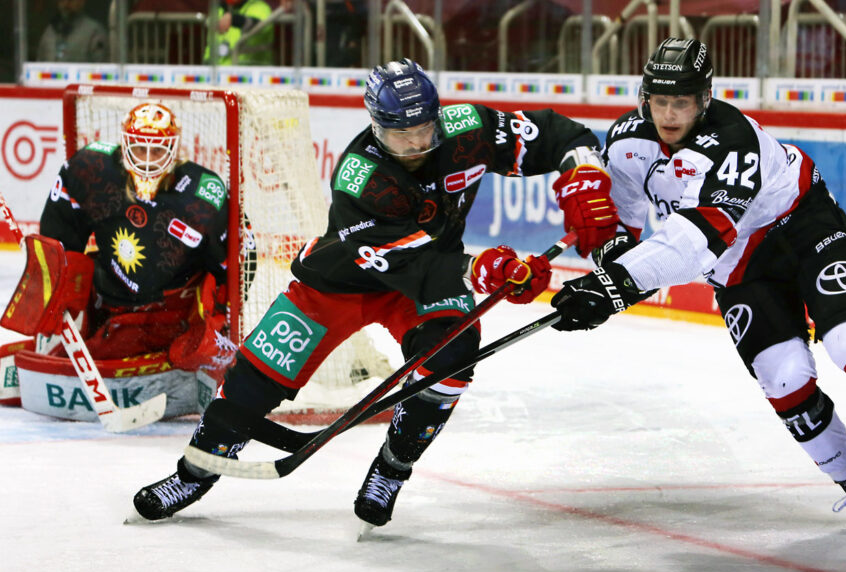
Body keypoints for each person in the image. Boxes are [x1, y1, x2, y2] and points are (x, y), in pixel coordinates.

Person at [548, 38, 846, 530]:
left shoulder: (732, 139)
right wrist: (608, 260)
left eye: (681, 102)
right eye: (659, 101)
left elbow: (698, 241)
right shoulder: (626, 142)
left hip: (801, 227)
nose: (668, 114)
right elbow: (625, 224)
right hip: (738, 269)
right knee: (784, 377)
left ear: (705, 98)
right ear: (644, 98)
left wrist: (613, 286)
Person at [132, 58, 619, 525]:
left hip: (423, 285)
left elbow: (560, 135)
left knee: (451, 359)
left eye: (422, 131)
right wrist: (482, 268)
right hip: (340, 283)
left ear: (437, 117)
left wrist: (584, 175)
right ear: (375, 125)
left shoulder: (469, 129)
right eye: (397, 135)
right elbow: (412, 262)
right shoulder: (359, 178)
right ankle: (193, 472)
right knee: (253, 378)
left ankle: (393, 466)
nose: (413, 145)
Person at [2, 102, 235, 411]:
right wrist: (61, 286)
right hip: (105, 293)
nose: (148, 160)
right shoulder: (93, 169)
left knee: (98, 351)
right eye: (140, 149)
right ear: (124, 145)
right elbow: (60, 232)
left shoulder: (202, 196)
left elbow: (235, 267)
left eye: (158, 151)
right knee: (54, 342)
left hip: (164, 314)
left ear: (174, 150)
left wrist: (217, 322)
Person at [206, 0, 275, 66]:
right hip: (217, 73)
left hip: (251, 73)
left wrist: (235, 20)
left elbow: (262, 27)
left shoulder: (260, 7)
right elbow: (210, 50)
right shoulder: (219, 10)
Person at [36, 0, 108, 63]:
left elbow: (101, 70)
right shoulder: (50, 32)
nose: (66, 3)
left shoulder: (95, 32)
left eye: (71, 0)